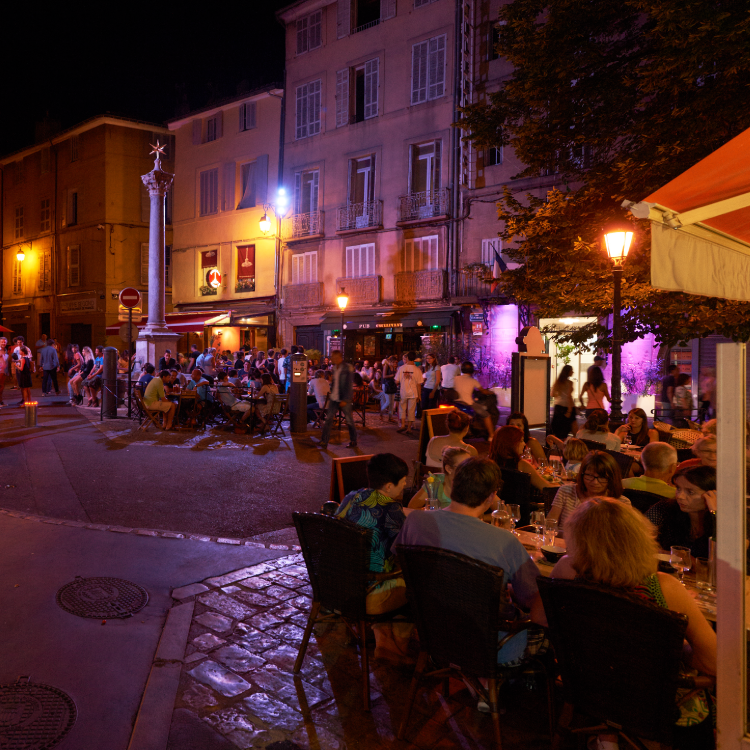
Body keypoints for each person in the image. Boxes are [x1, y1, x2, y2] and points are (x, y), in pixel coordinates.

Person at [550, 500, 716, 749]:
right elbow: (715, 662)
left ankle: (607, 737)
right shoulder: (664, 587)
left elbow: (542, 617)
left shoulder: (566, 569)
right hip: (651, 697)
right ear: (640, 537)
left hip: (590, 682)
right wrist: (674, 646)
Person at [397, 458, 546, 664]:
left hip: (433, 632)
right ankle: (503, 688)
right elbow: (534, 598)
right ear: (491, 496)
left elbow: (401, 562)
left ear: (453, 486)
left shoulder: (415, 521)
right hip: (491, 646)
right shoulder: (504, 541)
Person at [336, 453, 413, 663]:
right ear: (389, 486)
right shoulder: (392, 508)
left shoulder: (352, 496)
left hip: (337, 586)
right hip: (368, 593)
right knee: (417, 585)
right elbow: (405, 550)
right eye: (403, 482)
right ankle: (395, 649)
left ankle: (383, 639)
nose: (405, 486)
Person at [647, 465, 716, 558]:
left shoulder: (724, 520)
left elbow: (724, 559)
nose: (680, 496)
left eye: (690, 492)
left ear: (712, 495)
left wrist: (715, 513)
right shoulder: (665, 508)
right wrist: (674, 555)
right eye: (678, 488)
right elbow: (638, 539)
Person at [547, 451, 631, 527]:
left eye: (602, 477)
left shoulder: (622, 503)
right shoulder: (566, 491)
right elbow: (550, 523)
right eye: (589, 475)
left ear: (612, 478)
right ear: (582, 474)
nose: (595, 482)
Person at [489, 425, 556, 491]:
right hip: (525, 501)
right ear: (511, 444)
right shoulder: (522, 465)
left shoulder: (491, 463)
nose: (524, 444)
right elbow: (546, 487)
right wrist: (563, 487)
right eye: (521, 441)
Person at [318, 349, 357, 449]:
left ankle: (353, 440)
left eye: (333, 357)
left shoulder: (347, 368)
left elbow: (348, 384)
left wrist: (345, 399)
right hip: (334, 397)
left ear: (338, 357)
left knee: (349, 420)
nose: (332, 359)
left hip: (344, 398)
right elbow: (335, 383)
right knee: (328, 419)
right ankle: (324, 441)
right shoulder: (335, 368)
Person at [453, 361, 494, 437]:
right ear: (472, 370)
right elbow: (483, 391)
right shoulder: (473, 380)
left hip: (457, 403)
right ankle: (491, 436)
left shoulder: (456, 378)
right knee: (486, 415)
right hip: (469, 404)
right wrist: (491, 392)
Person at [395, 351, 423, 435]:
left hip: (403, 391)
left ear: (407, 358)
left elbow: (396, 381)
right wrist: (419, 395)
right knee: (411, 410)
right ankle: (409, 428)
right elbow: (419, 384)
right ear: (414, 359)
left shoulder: (401, 368)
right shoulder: (417, 370)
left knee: (402, 408)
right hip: (413, 393)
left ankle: (403, 425)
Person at [550, 364, 576, 440]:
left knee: (559, 428)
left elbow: (552, 394)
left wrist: (560, 393)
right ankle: (575, 445)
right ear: (568, 372)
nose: (573, 372)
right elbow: (569, 396)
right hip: (567, 406)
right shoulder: (570, 383)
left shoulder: (558, 382)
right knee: (571, 427)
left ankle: (558, 444)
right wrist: (570, 410)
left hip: (558, 406)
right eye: (571, 371)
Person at [381, 355, 398, 422]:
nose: (395, 364)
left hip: (392, 385)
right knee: (388, 401)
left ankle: (390, 417)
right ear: (390, 362)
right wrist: (392, 375)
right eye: (393, 362)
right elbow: (384, 376)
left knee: (392, 402)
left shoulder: (394, 368)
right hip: (386, 385)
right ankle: (381, 412)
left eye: (396, 362)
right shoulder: (386, 366)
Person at [0, 337, 8, 406]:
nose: (3, 343)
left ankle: (1, 401)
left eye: (4, 342)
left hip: (4, 371)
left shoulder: (5, 350)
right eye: (2, 342)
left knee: (2, 387)